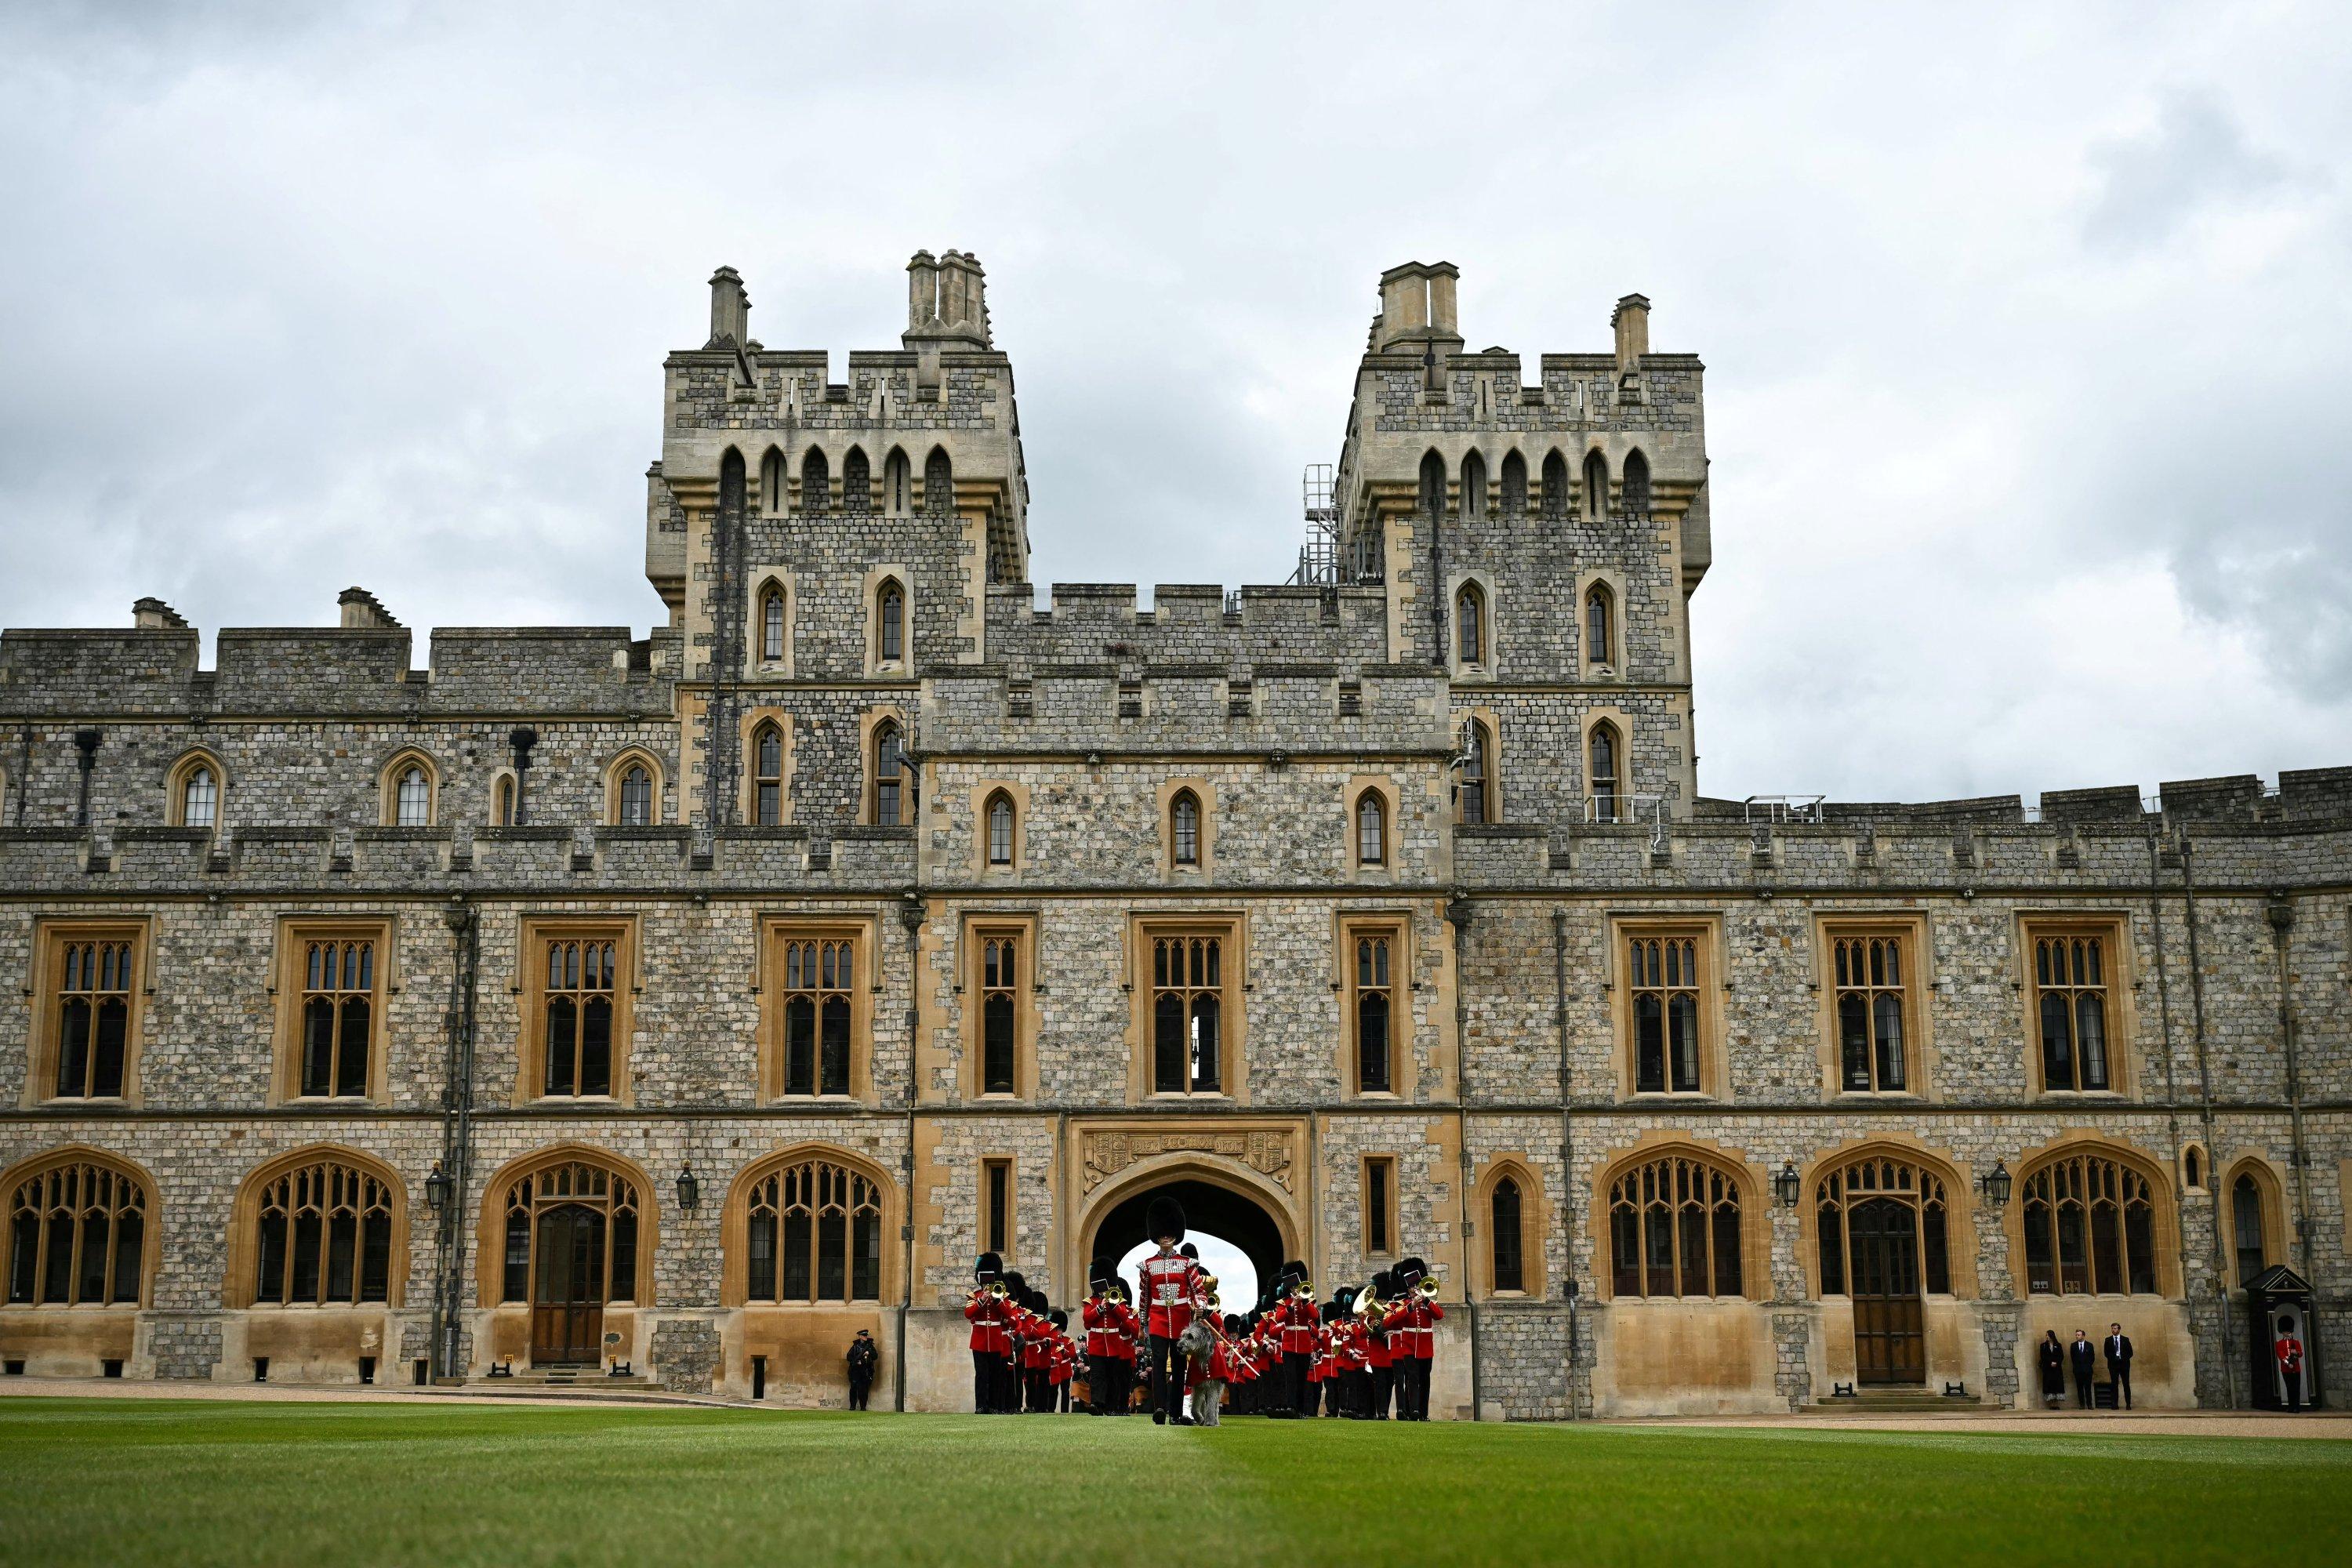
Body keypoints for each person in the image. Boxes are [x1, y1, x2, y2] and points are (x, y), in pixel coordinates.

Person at [1137, 1195, 1203, 1425]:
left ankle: (1175, 1412)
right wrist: (1142, 1323)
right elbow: (1144, 1296)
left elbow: (1199, 1290)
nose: (1166, 1237)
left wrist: (1201, 1306)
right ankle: (1160, 1408)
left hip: (1181, 1317)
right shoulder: (1147, 1265)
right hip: (1157, 1318)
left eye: (1169, 1233)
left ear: (1176, 1235)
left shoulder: (1187, 1263)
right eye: (1162, 1234)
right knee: (1157, 1361)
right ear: (1156, 1235)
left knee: (1178, 1364)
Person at [1384, 1257, 1445, 1421]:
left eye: (1417, 1285)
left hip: (1426, 1347)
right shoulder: (1404, 1304)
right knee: (1412, 1378)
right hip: (1409, 1346)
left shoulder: (1429, 1303)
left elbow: (1439, 1315)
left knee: (1425, 1380)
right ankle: (1414, 1410)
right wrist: (1411, 1306)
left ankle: (1424, 1413)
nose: (1414, 1289)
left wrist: (1426, 1300)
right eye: (1411, 1286)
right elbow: (1389, 1320)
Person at [965, 1252, 1010, 1414]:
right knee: (981, 1375)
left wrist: (997, 1300)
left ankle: (993, 1405)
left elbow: (1009, 1315)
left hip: (996, 1340)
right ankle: (980, 1405)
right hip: (979, 1340)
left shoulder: (1000, 1295)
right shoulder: (974, 1296)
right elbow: (968, 1313)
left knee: (995, 1375)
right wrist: (981, 1300)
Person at [1272, 1261, 1315, 1418]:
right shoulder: (1284, 1303)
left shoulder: (1307, 1302)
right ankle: (1292, 1407)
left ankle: (1302, 1410)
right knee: (1291, 1379)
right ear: (1290, 1288)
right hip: (1289, 1346)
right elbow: (1279, 1318)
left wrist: (1303, 1301)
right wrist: (1292, 1306)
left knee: (1302, 1380)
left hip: (1304, 1346)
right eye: (1294, 1287)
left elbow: (1315, 1316)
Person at [2276, 1316, 2306, 1412]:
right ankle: (2291, 1406)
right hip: (2286, 1369)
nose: (2286, 1333)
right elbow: (2281, 1355)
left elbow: (2300, 1353)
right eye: (2285, 1331)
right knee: (2289, 1388)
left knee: (2296, 1388)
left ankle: (2296, 1407)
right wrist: (2288, 1364)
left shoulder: (2295, 1342)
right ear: (2282, 1331)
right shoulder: (2279, 1343)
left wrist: (2296, 1353)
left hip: (2296, 1368)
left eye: (2288, 1331)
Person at [2103, 1323, 2134, 1411]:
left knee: (2126, 1384)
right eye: (2112, 1328)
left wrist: (2123, 1358)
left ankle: (2128, 1404)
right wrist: (2113, 1358)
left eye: (2115, 1328)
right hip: (2113, 1365)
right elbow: (2106, 1353)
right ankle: (2115, 1404)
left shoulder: (2125, 1339)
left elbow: (2130, 1352)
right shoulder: (2108, 1340)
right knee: (2114, 1385)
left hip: (2124, 1365)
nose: (2114, 1330)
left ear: (2119, 1329)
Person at [846, 1328, 879, 1411]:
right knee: (853, 1388)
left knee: (864, 1389)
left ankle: (863, 1407)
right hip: (856, 1371)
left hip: (866, 1371)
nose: (866, 1337)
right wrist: (857, 1362)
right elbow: (849, 1357)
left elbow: (875, 1356)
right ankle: (852, 1406)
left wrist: (869, 1353)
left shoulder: (870, 1346)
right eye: (864, 1335)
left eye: (866, 1335)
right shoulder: (855, 1346)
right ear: (860, 1336)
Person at [2037, 1329, 2066, 1410]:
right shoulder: (2043, 1345)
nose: (2047, 1337)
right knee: (2049, 1385)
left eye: (2048, 1335)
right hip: (2048, 1369)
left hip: (2057, 1369)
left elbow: (2061, 1356)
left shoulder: (2058, 1345)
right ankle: (2051, 1404)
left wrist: (2056, 1362)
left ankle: (2056, 1404)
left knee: (2057, 1385)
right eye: (2046, 1335)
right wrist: (2050, 1363)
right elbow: (2043, 1356)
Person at [2068, 1328, 2096, 1409]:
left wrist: (2087, 1365)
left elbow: (2092, 1358)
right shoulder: (2073, 1345)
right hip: (2078, 1370)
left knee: (2088, 1388)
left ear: (2083, 1336)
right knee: (2079, 1388)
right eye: (2076, 1335)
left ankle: (2089, 1404)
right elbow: (2073, 1358)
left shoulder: (2089, 1345)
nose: (2077, 1336)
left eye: (2079, 1335)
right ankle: (2082, 1404)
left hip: (2087, 1370)